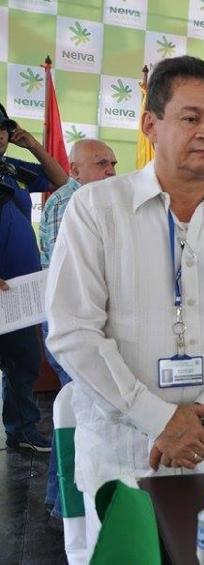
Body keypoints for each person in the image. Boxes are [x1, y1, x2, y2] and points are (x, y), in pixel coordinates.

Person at [45, 55, 204, 556]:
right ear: (150, 125)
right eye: (191, 117)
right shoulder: (97, 209)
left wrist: (202, 421)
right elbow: (74, 332)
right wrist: (159, 418)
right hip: (127, 453)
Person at [38, 138, 118, 522]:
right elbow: (73, 279)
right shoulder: (70, 203)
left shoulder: (94, 201)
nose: (112, 171)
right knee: (81, 411)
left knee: (78, 410)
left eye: (113, 164)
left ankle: (60, 500)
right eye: (102, 164)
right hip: (71, 330)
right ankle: (66, 506)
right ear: (74, 170)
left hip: (83, 326)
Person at [0, 101, 67, 453]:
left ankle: (22, 430)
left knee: (23, 363)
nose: (0, 136)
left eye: (3, 129)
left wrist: (32, 145)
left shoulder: (11, 168)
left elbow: (60, 180)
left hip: (19, 289)